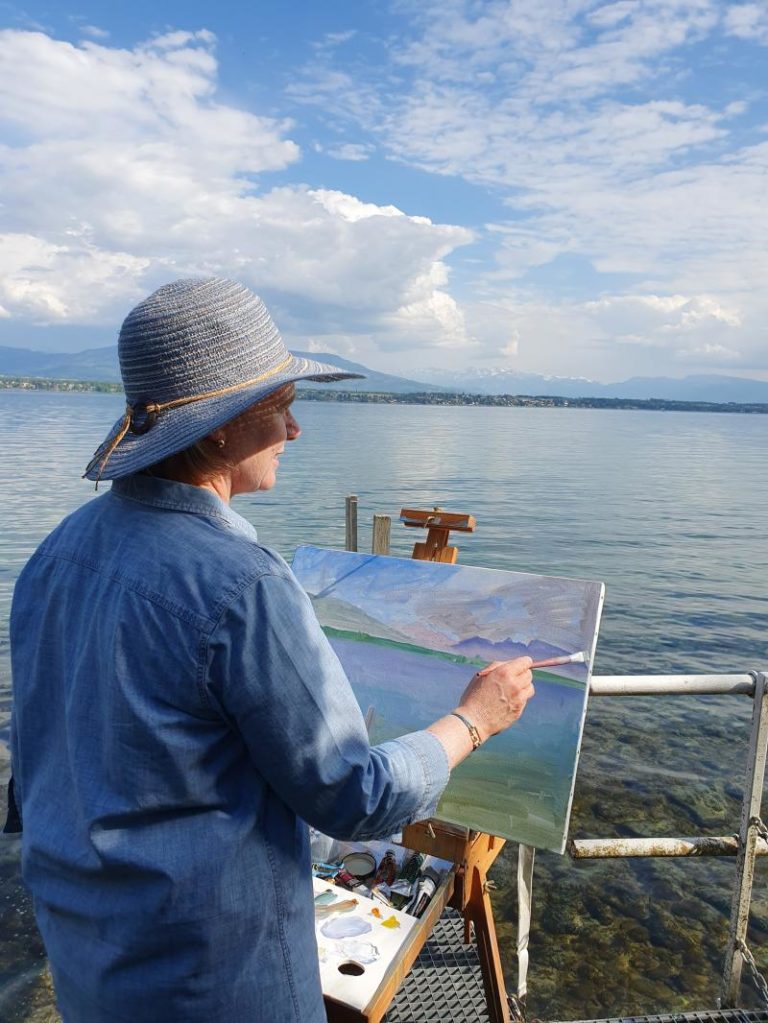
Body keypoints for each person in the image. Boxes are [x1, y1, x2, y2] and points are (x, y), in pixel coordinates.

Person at [7, 277, 534, 1022]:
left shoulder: (57, 553)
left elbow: (32, 761)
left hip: (92, 956)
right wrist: (475, 720)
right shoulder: (241, 582)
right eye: (282, 406)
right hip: (214, 979)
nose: (295, 430)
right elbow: (354, 796)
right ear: (218, 428)